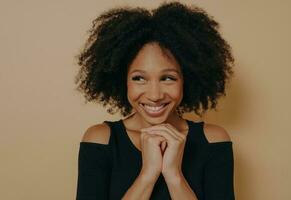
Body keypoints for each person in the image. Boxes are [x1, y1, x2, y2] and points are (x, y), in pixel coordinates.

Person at [75, 1, 235, 199]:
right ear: (122, 79)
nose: (154, 95)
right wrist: (148, 174)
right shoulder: (101, 140)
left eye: (168, 78)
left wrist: (173, 174)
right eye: (139, 78)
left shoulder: (213, 140)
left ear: (187, 79)